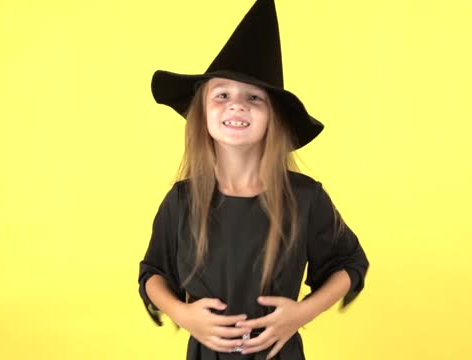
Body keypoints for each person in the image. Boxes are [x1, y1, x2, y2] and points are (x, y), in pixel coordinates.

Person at [138, 1, 369, 359]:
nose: (236, 105)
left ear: (272, 119)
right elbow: (153, 273)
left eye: (254, 98)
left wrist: (301, 313)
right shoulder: (183, 201)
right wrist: (182, 313)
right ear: (202, 115)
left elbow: (348, 263)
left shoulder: (305, 198)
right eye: (222, 95)